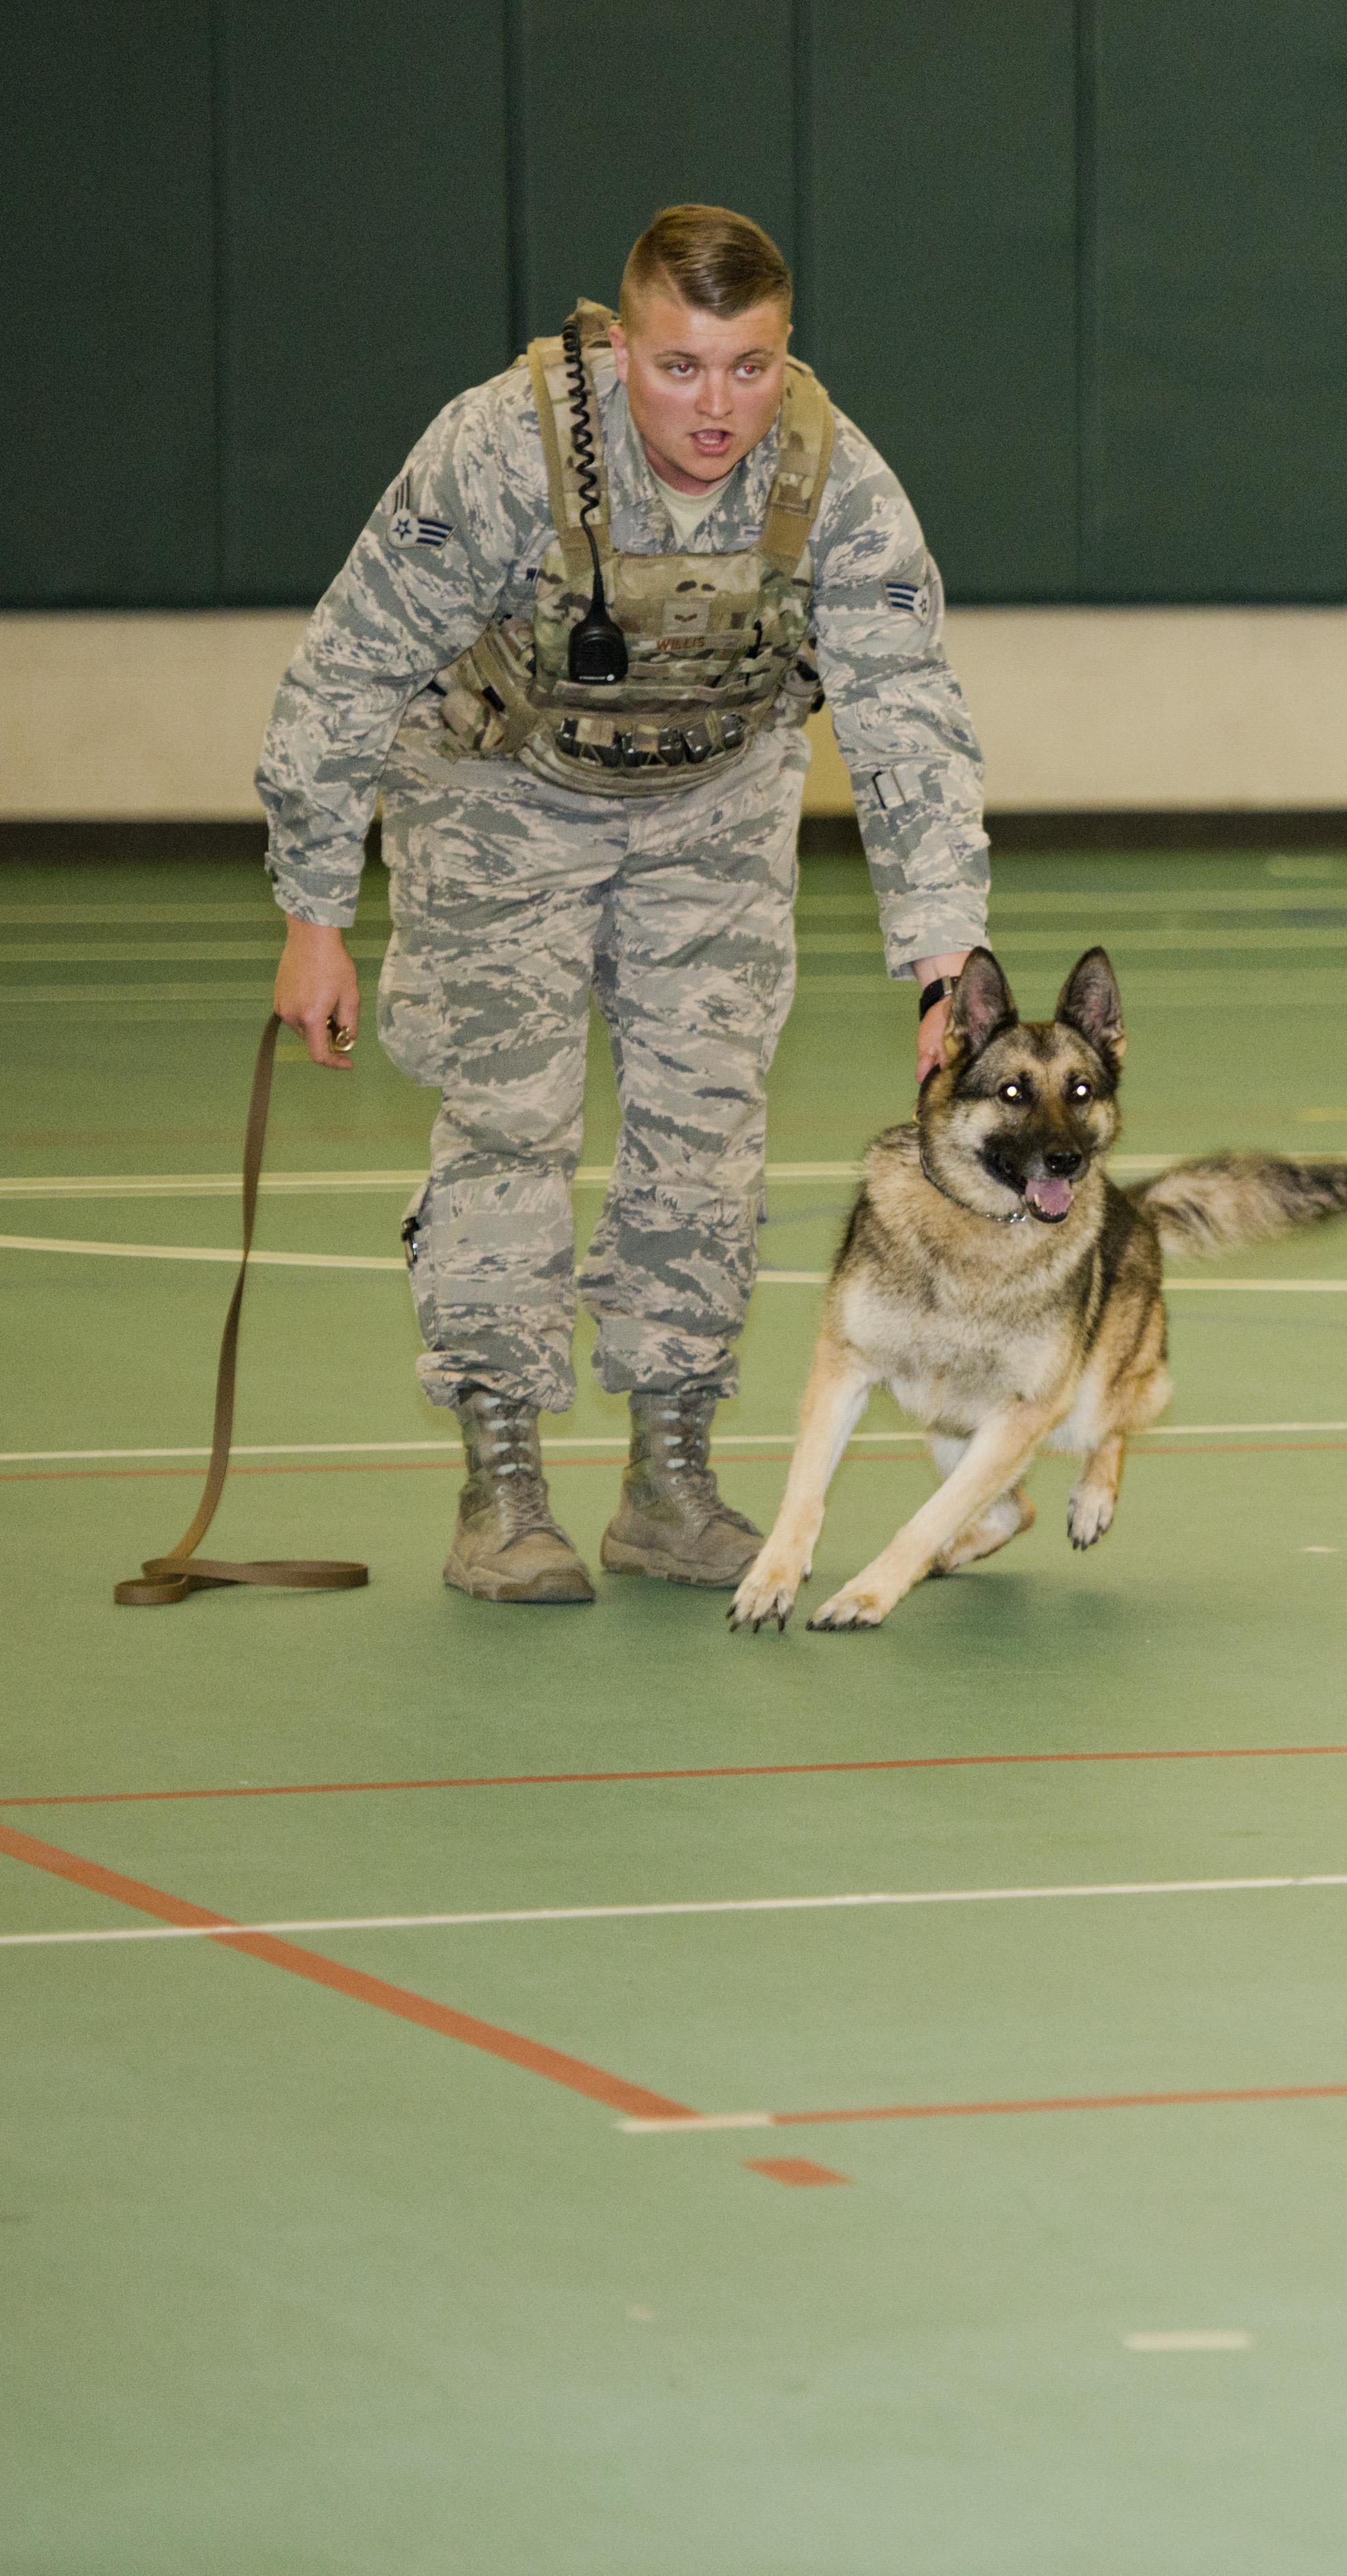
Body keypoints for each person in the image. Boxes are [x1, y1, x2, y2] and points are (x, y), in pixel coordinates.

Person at [261, 204, 989, 1605]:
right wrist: (312, 911)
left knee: (706, 1128)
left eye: (751, 366)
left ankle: (670, 1478)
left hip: (715, 804)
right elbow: (348, 667)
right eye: (680, 367)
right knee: (509, 1122)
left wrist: (945, 958)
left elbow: (908, 710)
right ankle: (502, 1485)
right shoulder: (503, 445)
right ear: (621, 346)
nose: (717, 407)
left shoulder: (830, 472)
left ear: (788, 351)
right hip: (497, 795)